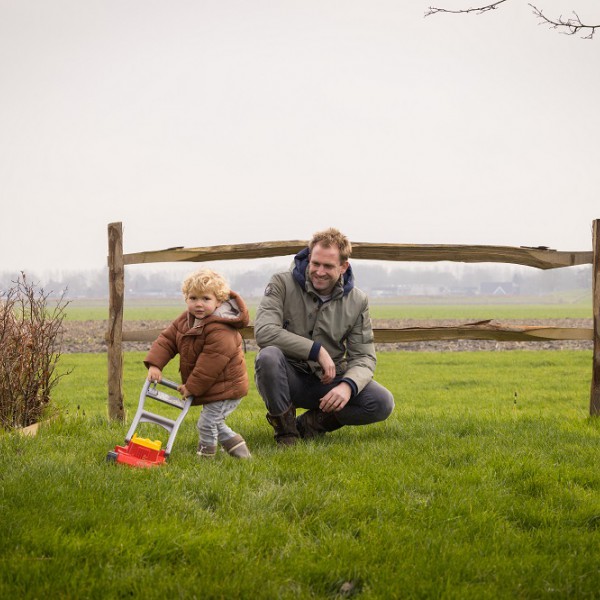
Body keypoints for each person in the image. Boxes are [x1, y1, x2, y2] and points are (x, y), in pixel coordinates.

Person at [254, 227, 394, 446]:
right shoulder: (281, 283)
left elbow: (364, 357)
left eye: (328, 266)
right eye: (315, 263)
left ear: (343, 266)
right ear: (309, 258)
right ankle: (286, 434)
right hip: (289, 377)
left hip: (329, 381)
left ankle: (309, 424)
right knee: (268, 357)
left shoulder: (358, 301)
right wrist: (316, 350)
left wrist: (348, 386)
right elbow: (264, 332)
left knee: (381, 402)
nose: (319, 271)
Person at [144, 268, 251, 459]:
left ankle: (205, 459)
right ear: (186, 299)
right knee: (215, 422)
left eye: (205, 299)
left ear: (219, 301)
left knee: (207, 423)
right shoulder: (186, 320)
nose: (198, 304)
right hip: (212, 386)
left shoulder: (221, 329)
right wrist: (155, 364)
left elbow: (210, 365)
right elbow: (167, 340)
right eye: (193, 298)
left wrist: (191, 387)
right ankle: (241, 454)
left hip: (227, 388)